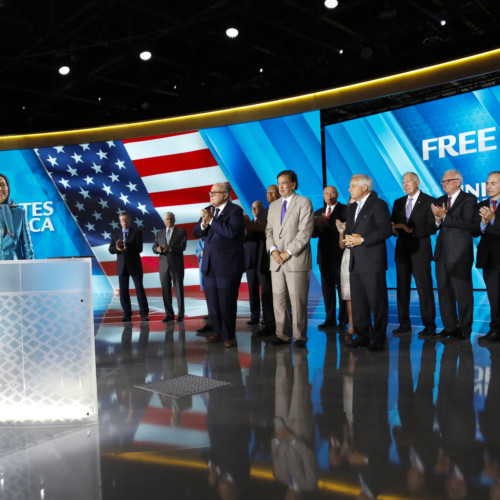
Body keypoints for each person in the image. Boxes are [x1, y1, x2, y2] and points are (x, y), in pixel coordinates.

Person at [265, 170, 315, 348]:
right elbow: (269, 231)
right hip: (276, 261)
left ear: (294, 184)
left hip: (295, 260)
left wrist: (287, 252)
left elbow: (305, 232)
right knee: (279, 301)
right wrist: (273, 251)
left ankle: (300, 337)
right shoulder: (273, 206)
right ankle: (282, 335)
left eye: (284, 183)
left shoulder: (304, 203)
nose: (281, 187)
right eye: (279, 184)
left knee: (298, 301)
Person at [193, 182, 245, 348]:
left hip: (228, 266)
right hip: (209, 265)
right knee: (213, 303)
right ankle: (217, 332)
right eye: (211, 192)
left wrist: (212, 221)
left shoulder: (235, 211)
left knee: (227, 302)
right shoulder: (208, 210)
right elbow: (196, 231)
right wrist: (203, 222)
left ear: (226, 194)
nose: (211, 195)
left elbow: (231, 232)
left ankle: (229, 336)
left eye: (215, 192)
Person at [344, 174, 392, 352]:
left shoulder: (378, 204)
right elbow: (349, 230)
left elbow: (385, 230)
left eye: (352, 186)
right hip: (355, 261)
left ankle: (379, 339)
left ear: (365, 187)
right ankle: (362, 336)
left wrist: (362, 239)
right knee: (358, 303)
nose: (349, 189)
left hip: (372, 262)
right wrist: (347, 238)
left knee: (377, 302)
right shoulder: (352, 207)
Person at [431, 169, 477, 340]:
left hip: (459, 254)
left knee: (462, 292)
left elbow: (467, 224)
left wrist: (445, 216)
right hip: (441, 253)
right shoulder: (439, 201)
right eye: (442, 182)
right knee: (444, 291)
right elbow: (434, 226)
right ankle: (450, 326)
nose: (444, 184)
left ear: (458, 181)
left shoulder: (469, 199)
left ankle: (465, 328)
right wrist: (437, 220)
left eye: (448, 181)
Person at [391, 172, 437, 336]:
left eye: (408, 181)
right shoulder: (398, 202)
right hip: (402, 250)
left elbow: (433, 227)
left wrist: (411, 230)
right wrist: (393, 228)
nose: (405, 185)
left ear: (417, 182)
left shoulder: (429, 201)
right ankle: (404, 323)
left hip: (420, 250)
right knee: (402, 288)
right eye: (403, 182)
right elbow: (394, 225)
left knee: (424, 288)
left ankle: (430, 325)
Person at [312, 185, 348, 330]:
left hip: (340, 256)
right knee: (327, 289)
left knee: (342, 288)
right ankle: (330, 319)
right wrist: (320, 226)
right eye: (326, 193)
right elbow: (313, 234)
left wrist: (330, 225)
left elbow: (346, 230)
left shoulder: (346, 210)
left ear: (337, 194)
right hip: (324, 256)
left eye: (332, 193)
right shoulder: (318, 212)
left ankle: (344, 320)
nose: (329, 196)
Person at [109, 212, 149, 322]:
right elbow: (111, 249)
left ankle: (144, 313)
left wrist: (127, 248)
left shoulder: (136, 232)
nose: (124, 222)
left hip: (134, 265)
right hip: (122, 266)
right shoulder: (115, 233)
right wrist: (118, 248)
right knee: (123, 291)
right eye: (122, 220)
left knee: (139, 289)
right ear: (119, 221)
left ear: (130, 220)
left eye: (126, 219)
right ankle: (127, 313)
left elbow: (139, 248)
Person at [476, 171, 500, 343]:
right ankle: (495, 330)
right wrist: (483, 224)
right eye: (487, 183)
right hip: (489, 259)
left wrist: (493, 219)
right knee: (494, 297)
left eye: (493, 183)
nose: (489, 186)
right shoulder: (483, 204)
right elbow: (474, 230)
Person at [254, 185, 280, 336]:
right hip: (264, 259)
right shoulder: (263, 213)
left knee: (281, 293)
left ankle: (283, 324)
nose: (269, 195)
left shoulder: (284, 209)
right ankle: (270, 324)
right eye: (267, 192)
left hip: (280, 257)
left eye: (272, 192)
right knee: (266, 292)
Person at [152, 212, 187, 323]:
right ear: (164, 220)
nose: (169, 220)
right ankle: (169, 314)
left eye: (171, 218)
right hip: (163, 267)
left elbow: (183, 247)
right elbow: (154, 247)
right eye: (167, 218)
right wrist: (157, 249)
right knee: (165, 291)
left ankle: (181, 314)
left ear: (174, 219)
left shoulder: (181, 231)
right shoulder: (159, 233)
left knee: (179, 291)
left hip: (176, 266)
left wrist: (170, 248)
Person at [0, 173, 34, 260]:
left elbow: (27, 246)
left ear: (8, 187)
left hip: (14, 266)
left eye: (3, 185)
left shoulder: (19, 213)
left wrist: (29, 268)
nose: (0, 189)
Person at [335, 198, 355, 339]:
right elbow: (342, 246)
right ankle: (352, 327)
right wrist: (341, 232)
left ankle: (367, 325)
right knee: (348, 297)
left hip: (363, 257)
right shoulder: (346, 223)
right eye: (349, 204)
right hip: (347, 258)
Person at [244, 200, 265, 326]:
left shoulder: (266, 223)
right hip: (250, 262)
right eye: (252, 207)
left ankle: (268, 317)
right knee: (253, 290)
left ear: (262, 209)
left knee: (266, 291)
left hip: (263, 261)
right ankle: (254, 316)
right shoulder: (248, 225)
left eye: (257, 207)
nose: (254, 210)